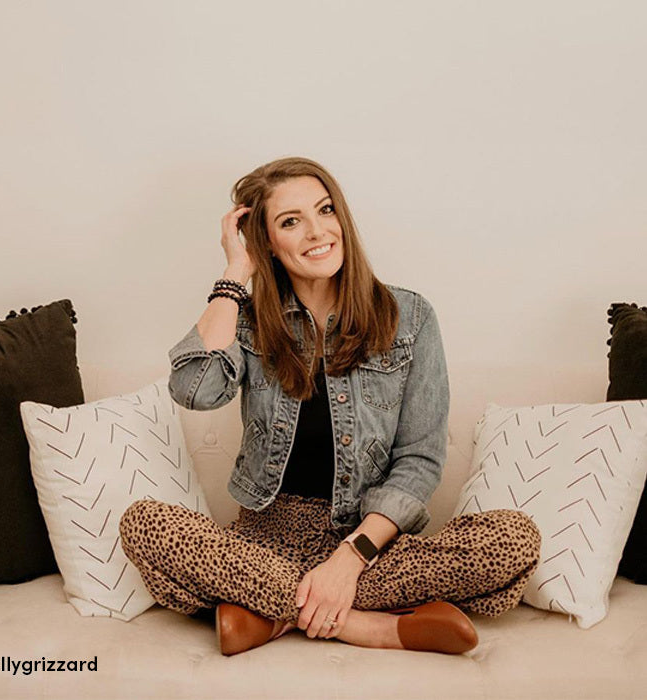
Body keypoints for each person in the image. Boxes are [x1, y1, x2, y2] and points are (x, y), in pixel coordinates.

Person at [118, 156, 541, 656]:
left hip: (367, 542)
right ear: (267, 244)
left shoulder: (410, 317)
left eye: (325, 210)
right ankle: (367, 626)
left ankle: (268, 613)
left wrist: (348, 560)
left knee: (514, 538)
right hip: (262, 542)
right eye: (290, 222)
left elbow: (420, 460)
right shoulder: (248, 322)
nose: (317, 232)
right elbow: (195, 387)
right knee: (143, 523)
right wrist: (235, 274)